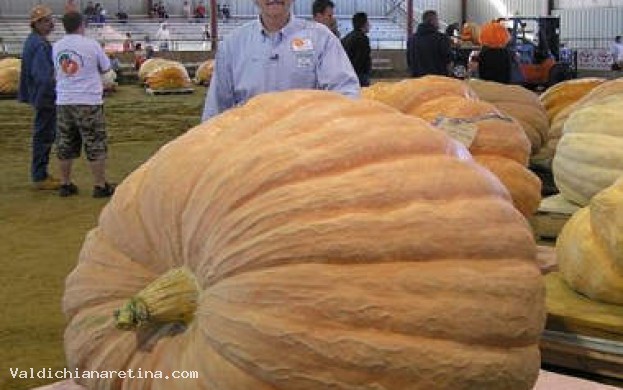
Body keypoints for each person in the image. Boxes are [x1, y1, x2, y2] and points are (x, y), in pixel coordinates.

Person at [202, 0, 359, 121]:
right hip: (247, 148)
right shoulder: (233, 44)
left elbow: (345, 92)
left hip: (306, 147)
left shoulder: (321, 38)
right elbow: (216, 108)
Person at [52, 11, 115, 198]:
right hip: (88, 100)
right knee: (95, 142)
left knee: (65, 143)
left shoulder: (56, 46)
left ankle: (65, 183)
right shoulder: (91, 45)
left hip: (64, 100)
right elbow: (106, 68)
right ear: (82, 25)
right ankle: (100, 184)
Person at [18, 5, 60, 190]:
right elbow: (43, 77)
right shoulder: (40, 45)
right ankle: (40, 175)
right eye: (48, 20)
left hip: (39, 96)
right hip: (45, 97)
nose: (52, 24)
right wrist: (51, 95)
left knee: (43, 134)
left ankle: (40, 173)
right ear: (38, 24)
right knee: (44, 135)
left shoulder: (32, 41)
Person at [406, 10, 451, 77]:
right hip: (438, 80)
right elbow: (448, 59)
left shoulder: (411, 39)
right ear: (432, 21)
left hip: (417, 80)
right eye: (437, 20)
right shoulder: (441, 38)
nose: (438, 22)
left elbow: (409, 61)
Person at [341, 12, 371, 87]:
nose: (369, 25)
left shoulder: (347, 37)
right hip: (359, 75)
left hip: (347, 74)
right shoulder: (363, 38)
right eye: (368, 22)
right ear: (364, 24)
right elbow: (360, 59)